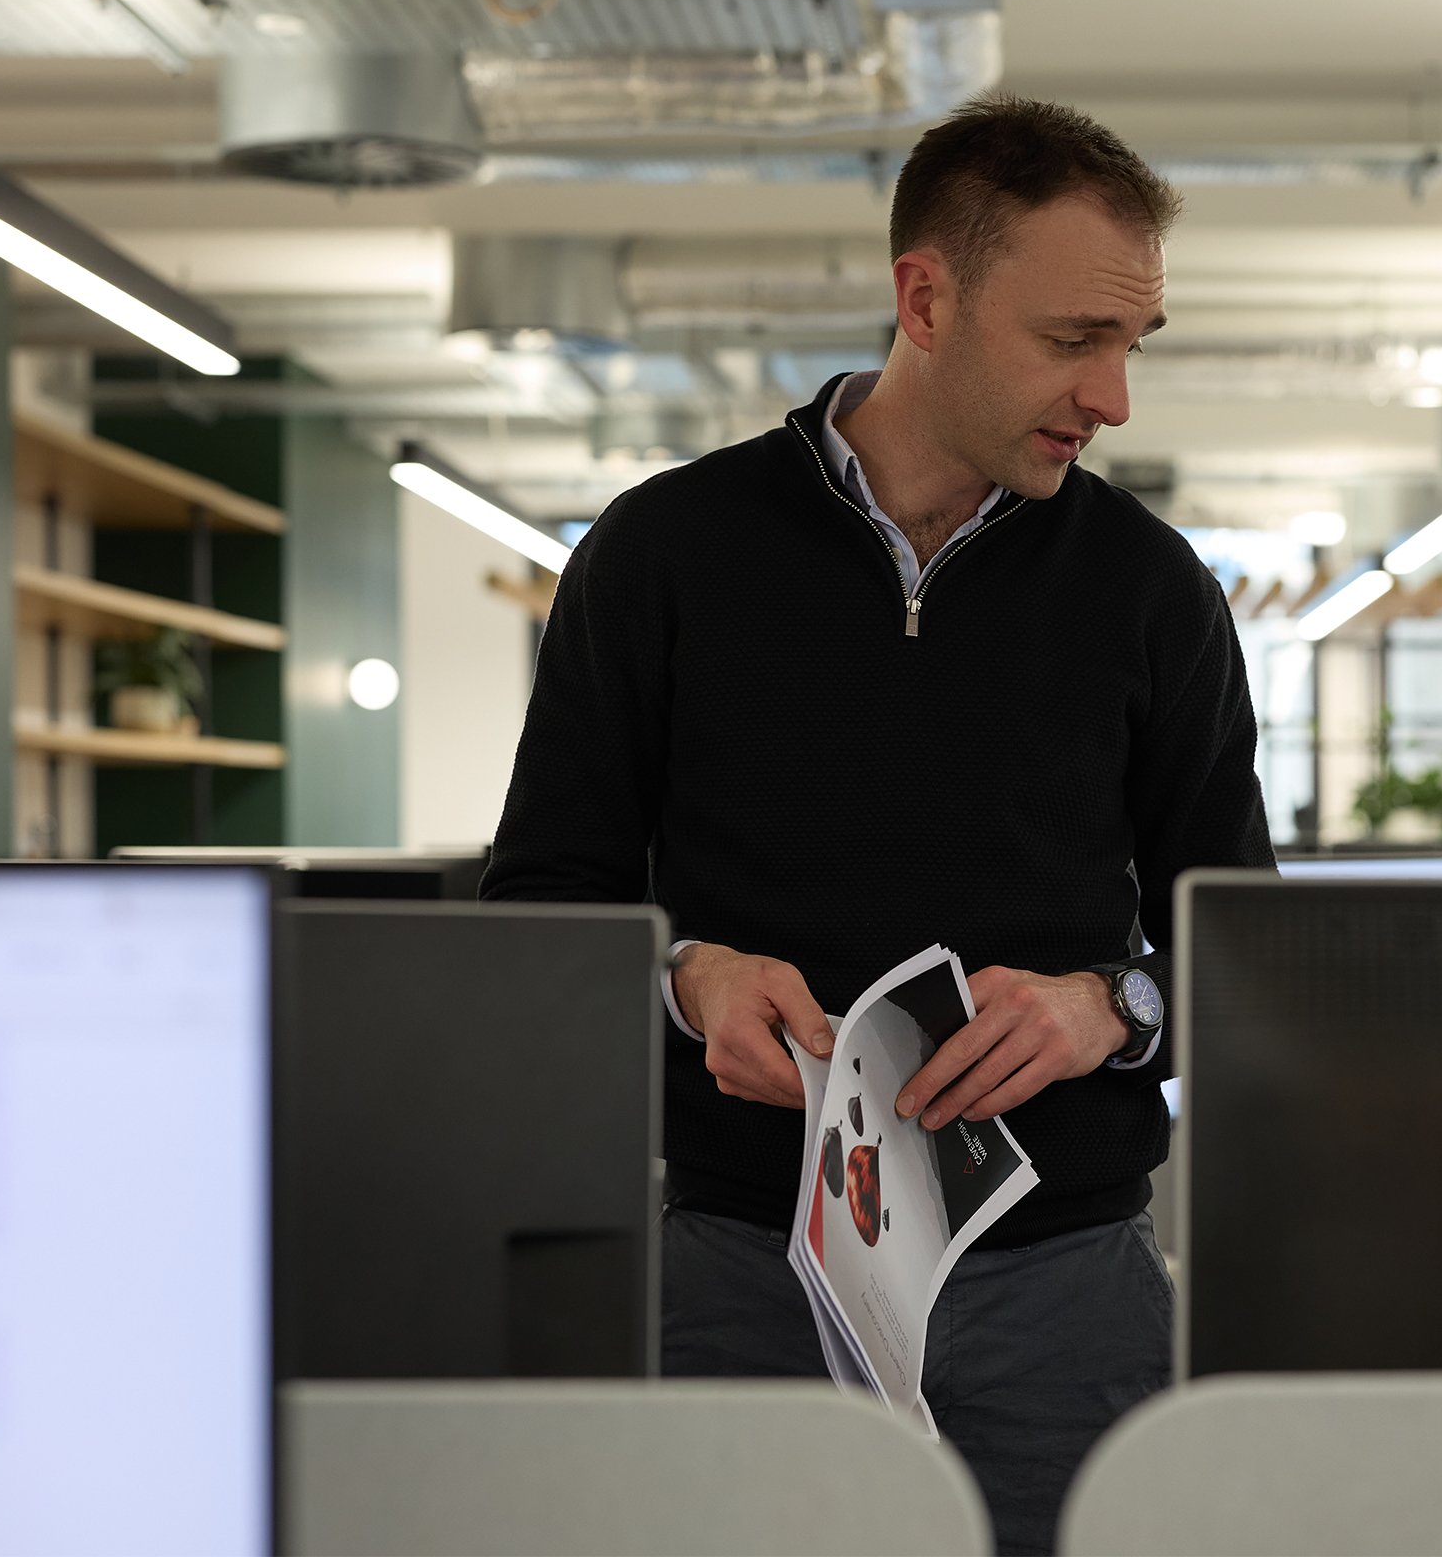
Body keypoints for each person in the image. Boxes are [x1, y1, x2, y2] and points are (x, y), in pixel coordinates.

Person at [481, 92, 1275, 1555]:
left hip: (1064, 1286)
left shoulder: (1155, 593)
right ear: (927, 297)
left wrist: (1116, 1007)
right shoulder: (662, 555)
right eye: (1072, 340)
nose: (1113, 398)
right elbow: (544, 902)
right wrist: (685, 974)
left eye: (1131, 344)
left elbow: (1240, 938)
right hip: (741, 1269)